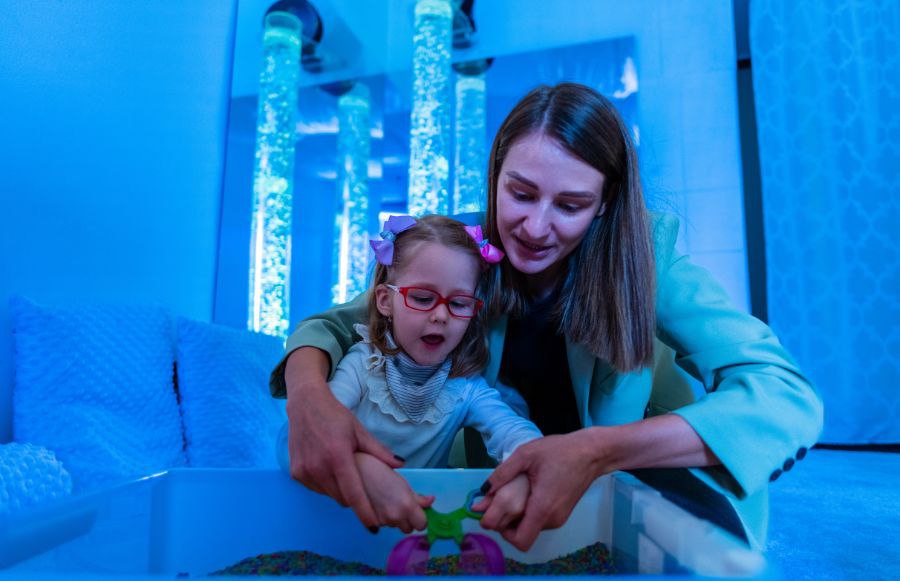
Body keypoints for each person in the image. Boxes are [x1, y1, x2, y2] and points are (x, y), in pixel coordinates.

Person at [270, 83, 824, 552]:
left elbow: (786, 397)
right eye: (520, 193)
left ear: (605, 202)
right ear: (495, 175)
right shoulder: (463, 248)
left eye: (570, 205)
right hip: (506, 490)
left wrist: (598, 452)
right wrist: (310, 401)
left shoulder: (647, 256)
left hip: (645, 488)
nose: (535, 228)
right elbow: (336, 326)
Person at [275, 214, 542, 534]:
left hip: (415, 534)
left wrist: (525, 470)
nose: (441, 315)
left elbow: (514, 432)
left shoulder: (466, 388)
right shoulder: (362, 366)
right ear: (385, 301)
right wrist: (359, 465)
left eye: (459, 303)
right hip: (336, 523)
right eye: (422, 298)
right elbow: (297, 441)